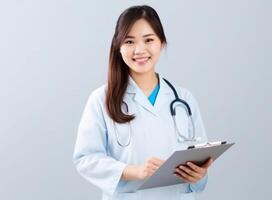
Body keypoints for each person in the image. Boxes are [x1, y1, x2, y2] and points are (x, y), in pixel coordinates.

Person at [73, 5, 213, 200]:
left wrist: (199, 176)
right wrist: (133, 171)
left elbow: (199, 169)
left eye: (149, 40)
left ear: (162, 43)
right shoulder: (101, 99)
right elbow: (86, 159)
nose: (140, 50)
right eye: (130, 41)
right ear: (118, 47)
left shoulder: (184, 100)